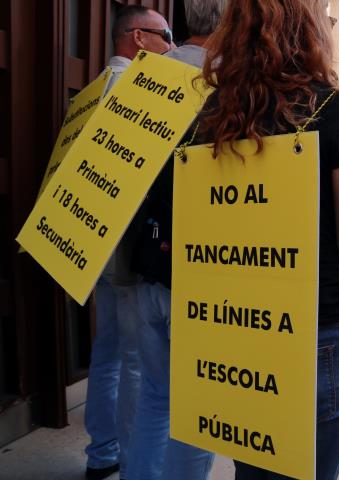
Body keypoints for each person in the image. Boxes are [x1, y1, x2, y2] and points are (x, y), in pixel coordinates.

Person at [135, 1, 339, 478]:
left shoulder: (207, 116)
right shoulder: (332, 109)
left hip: (233, 333)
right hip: (315, 334)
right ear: (309, 31)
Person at [126, 1, 226, 479]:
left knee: (155, 395)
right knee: (198, 410)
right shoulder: (234, 86)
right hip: (202, 274)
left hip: (145, 263)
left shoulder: (141, 79)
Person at [84, 6, 173, 480]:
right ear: (138, 38)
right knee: (137, 364)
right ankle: (133, 465)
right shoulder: (136, 94)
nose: (172, 46)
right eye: (166, 35)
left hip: (94, 244)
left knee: (107, 352)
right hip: (128, 249)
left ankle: (101, 455)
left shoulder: (95, 89)